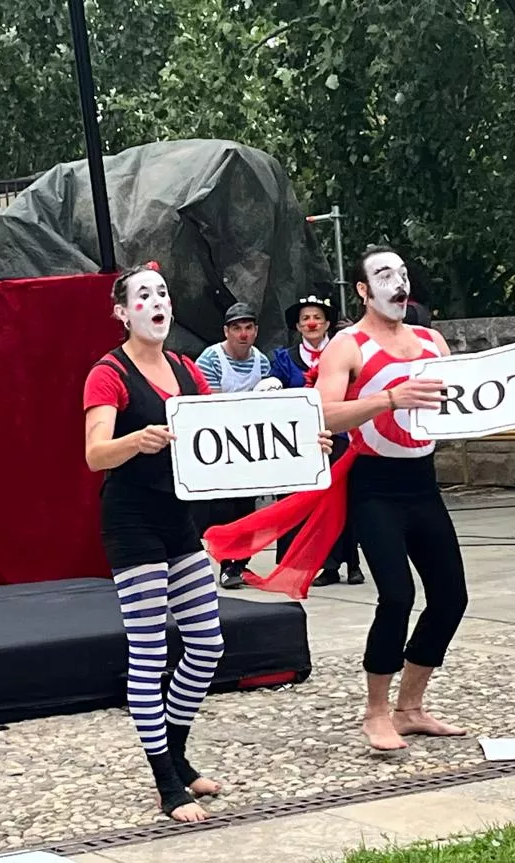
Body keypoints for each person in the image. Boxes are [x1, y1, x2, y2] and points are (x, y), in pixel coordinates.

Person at [83, 262, 331, 822]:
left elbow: (236, 433)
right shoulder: (108, 373)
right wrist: (134, 440)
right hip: (132, 522)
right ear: (122, 313)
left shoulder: (187, 370)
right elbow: (95, 452)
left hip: (179, 522)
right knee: (148, 653)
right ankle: (167, 781)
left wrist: (300, 442)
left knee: (207, 645)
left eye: (163, 293)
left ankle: (177, 755)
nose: (157, 302)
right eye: (143, 296)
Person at [201, 246, 469, 753]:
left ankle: (410, 706)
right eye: (384, 275)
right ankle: (376, 711)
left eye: (403, 273)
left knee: (452, 596)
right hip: (374, 484)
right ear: (364, 291)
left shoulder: (432, 341)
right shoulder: (348, 345)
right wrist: (388, 399)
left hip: (423, 482)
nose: (398, 283)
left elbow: (459, 404)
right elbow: (323, 414)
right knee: (396, 595)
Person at [269, 295, 363, 587]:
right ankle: (325, 564)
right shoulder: (285, 358)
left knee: (344, 499)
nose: (311, 323)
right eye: (305, 319)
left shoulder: (342, 354)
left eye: (317, 318)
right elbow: (274, 385)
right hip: (301, 443)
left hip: (340, 436)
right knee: (310, 502)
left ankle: (353, 563)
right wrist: (270, 386)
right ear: (297, 325)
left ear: (327, 324)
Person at [191, 303, 279, 588]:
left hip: (252, 449)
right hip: (218, 446)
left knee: (250, 510)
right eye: (237, 328)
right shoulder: (210, 359)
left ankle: (237, 565)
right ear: (226, 331)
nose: (243, 333)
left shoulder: (262, 362)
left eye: (248, 327)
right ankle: (226, 561)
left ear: (255, 331)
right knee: (222, 509)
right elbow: (210, 403)